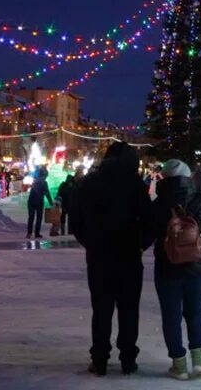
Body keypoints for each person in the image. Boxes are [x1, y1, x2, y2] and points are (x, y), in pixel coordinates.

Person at [70, 142, 153, 376]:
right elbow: (149, 219)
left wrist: (91, 241)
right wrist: (140, 244)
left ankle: (100, 360)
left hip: (100, 256)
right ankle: (127, 359)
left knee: (102, 309)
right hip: (128, 255)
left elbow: (76, 217)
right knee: (129, 310)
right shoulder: (135, 184)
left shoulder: (90, 183)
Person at [150, 159, 201, 380]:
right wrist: (200, 247)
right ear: (188, 177)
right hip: (197, 268)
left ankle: (178, 364)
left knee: (171, 316)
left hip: (167, 268)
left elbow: (147, 234)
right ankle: (198, 360)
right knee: (194, 312)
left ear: (164, 178)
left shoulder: (158, 204)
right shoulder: (200, 200)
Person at [27, 168, 53, 239]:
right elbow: (47, 193)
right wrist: (51, 203)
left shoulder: (35, 181)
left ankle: (29, 233)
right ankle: (37, 233)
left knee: (31, 217)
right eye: (46, 176)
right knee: (39, 218)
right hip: (39, 202)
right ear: (44, 175)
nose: (46, 177)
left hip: (31, 201)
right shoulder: (44, 183)